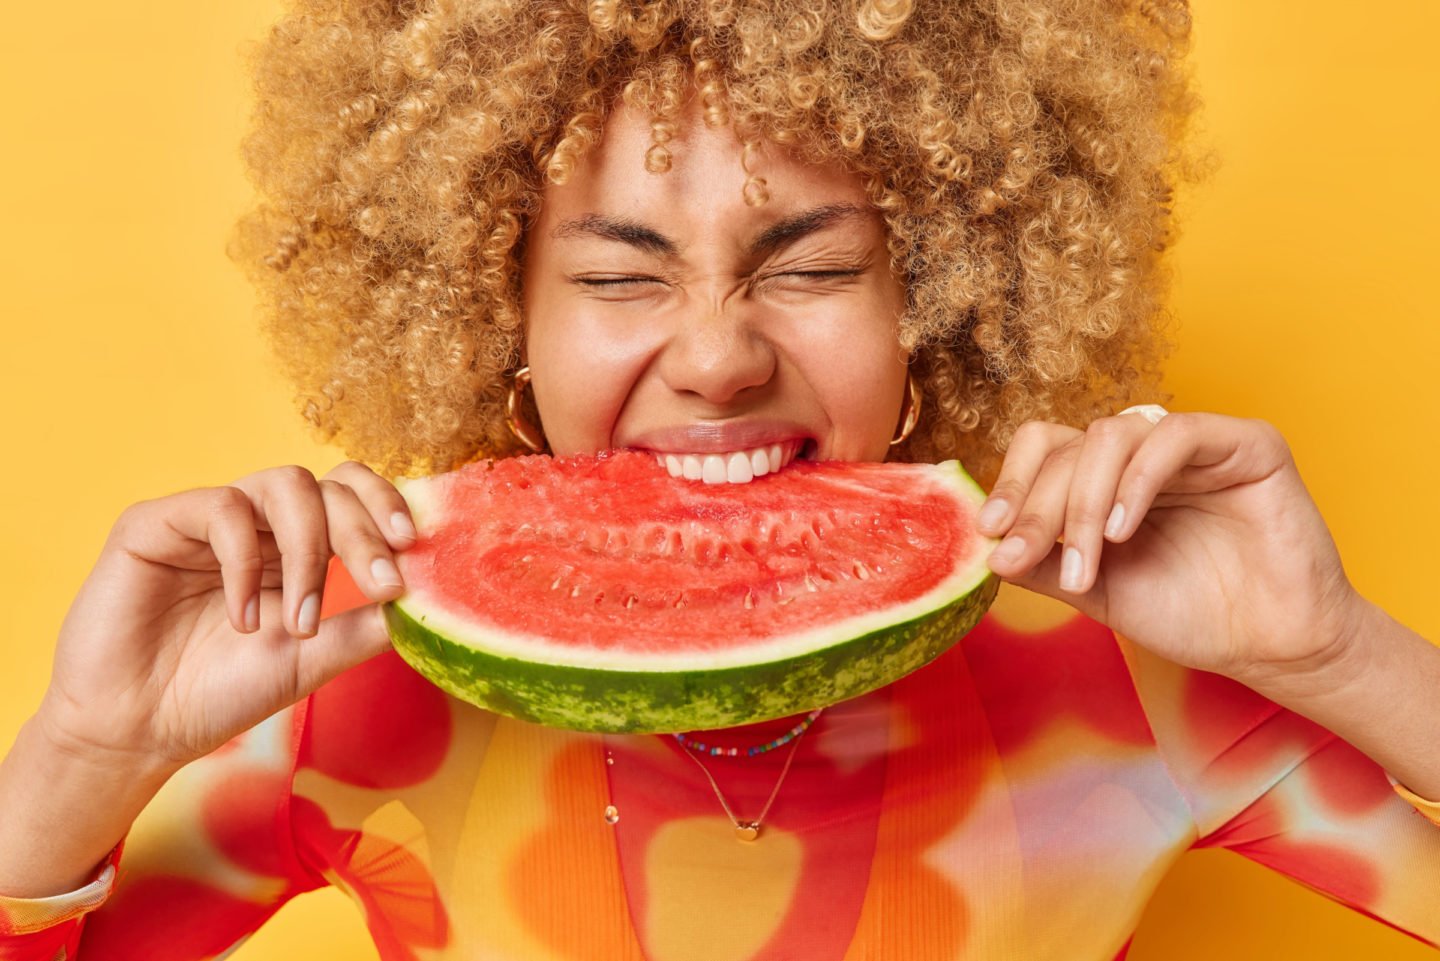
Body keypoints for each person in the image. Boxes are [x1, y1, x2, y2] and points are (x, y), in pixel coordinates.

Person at [1, 0, 1437, 958]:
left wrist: (1339, 650)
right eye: (620, 275)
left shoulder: (1122, 687)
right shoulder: (361, 698)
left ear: (939, 298)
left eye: (811, 266)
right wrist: (82, 751)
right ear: (497, 313)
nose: (718, 357)